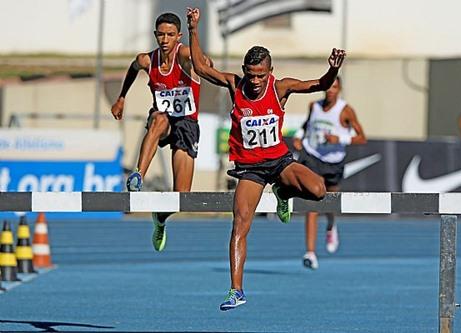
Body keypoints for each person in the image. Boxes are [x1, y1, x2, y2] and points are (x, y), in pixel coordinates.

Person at [187, 7, 346, 311]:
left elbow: (320, 85)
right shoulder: (236, 85)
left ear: (269, 73)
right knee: (240, 224)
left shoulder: (280, 87)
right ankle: (236, 290)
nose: (255, 81)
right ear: (245, 71)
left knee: (318, 191)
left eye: (260, 75)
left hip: (280, 161)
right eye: (251, 74)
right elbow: (201, 68)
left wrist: (333, 70)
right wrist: (193, 29)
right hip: (250, 169)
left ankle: (283, 192)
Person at [110, 12, 211, 252]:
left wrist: (200, 50)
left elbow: (202, 62)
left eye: (170, 35)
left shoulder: (185, 54)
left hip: (186, 124)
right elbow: (133, 69)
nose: (164, 39)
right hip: (164, 121)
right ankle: (137, 175)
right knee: (159, 118)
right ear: (155, 35)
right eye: (160, 34)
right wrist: (122, 97)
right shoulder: (148, 60)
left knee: (182, 198)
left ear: (178, 36)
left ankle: (161, 218)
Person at [293, 77, 366, 270]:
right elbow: (306, 125)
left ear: (340, 89)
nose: (331, 91)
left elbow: (361, 137)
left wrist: (339, 138)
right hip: (313, 156)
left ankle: (331, 225)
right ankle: (310, 252)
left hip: (333, 161)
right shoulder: (314, 105)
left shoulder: (345, 110)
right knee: (312, 203)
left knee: (331, 200)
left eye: (335, 87)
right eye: (329, 87)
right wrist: (299, 138)